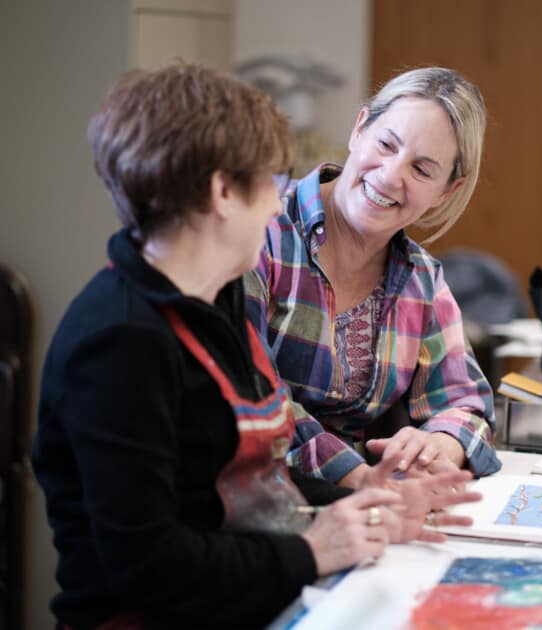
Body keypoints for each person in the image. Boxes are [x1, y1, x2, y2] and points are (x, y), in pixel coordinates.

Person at [31, 64, 481, 630]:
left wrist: (363, 505)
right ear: (223, 193)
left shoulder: (211, 301)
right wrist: (316, 547)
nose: (279, 207)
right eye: (270, 186)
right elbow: (147, 566)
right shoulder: (118, 343)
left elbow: (243, 489)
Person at [245, 66, 503, 492]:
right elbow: (253, 396)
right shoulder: (259, 232)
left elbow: (466, 402)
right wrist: (361, 477)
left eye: (422, 169)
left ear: (446, 191)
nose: (390, 175)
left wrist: (437, 446)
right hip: (251, 506)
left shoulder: (421, 280)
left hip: (363, 503)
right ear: (360, 127)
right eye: (386, 144)